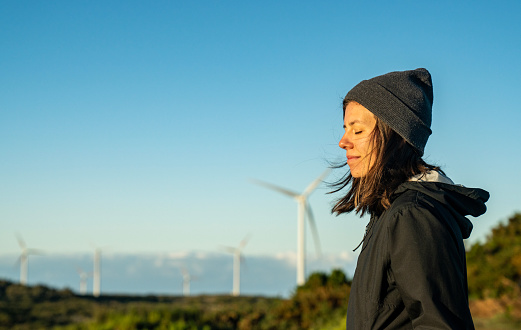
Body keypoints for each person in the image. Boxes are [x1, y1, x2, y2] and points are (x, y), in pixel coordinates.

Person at [330, 68, 489, 329]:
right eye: (345, 129)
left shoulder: (412, 215)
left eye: (357, 131)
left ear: (397, 137)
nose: (343, 142)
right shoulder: (393, 211)